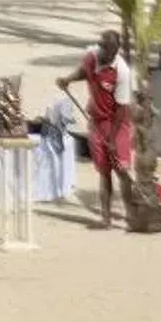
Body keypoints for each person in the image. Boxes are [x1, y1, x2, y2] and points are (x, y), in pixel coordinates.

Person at [57, 28, 138, 226]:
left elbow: (121, 109)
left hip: (117, 123)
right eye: (100, 45)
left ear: (115, 50)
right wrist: (68, 79)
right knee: (104, 171)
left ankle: (131, 214)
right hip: (96, 121)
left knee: (121, 170)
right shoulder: (93, 57)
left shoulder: (122, 72)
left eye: (106, 48)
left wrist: (112, 138)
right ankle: (106, 217)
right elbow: (83, 71)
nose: (101, 50)